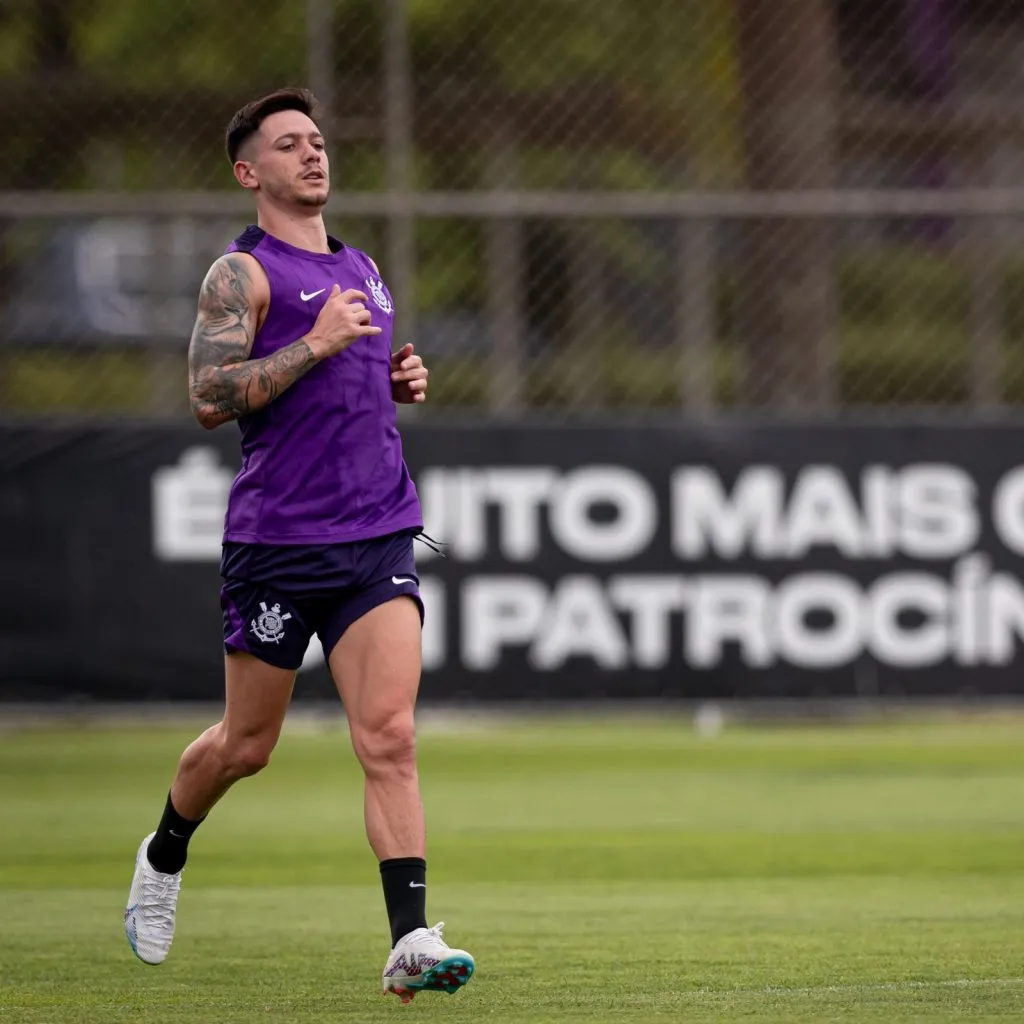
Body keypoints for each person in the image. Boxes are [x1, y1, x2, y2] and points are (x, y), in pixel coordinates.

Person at [123, 87, 474, 1004]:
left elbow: (346, 386)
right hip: (279, 541)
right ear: (251, 172)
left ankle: (409, 941)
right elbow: (209, 397)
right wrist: (319, 346)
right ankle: (164, 853)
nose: (313, 155)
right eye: (290, 145)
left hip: (377, 531)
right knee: (246, 745)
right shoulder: (240, 275)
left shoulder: (362, 264)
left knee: (390, 736)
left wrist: (394, 378)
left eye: (318, 141)